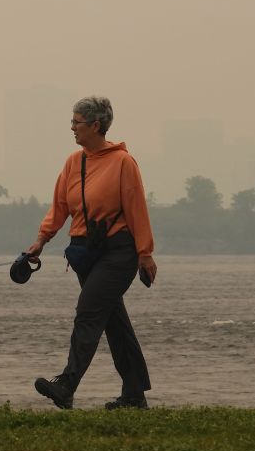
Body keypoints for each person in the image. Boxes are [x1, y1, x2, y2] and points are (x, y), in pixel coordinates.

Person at [23, 95, 157, 410]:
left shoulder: (123, 162)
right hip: (85, 253)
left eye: (76, 122)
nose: (72, 128)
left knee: (89, 312)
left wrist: (144, 253)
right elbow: (59, 206)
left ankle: (67, 385)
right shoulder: (74, 161)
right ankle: (135, 396)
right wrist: (41, 240)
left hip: (118, 251)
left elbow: (137, 208)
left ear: (95, 125)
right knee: (114, 322)